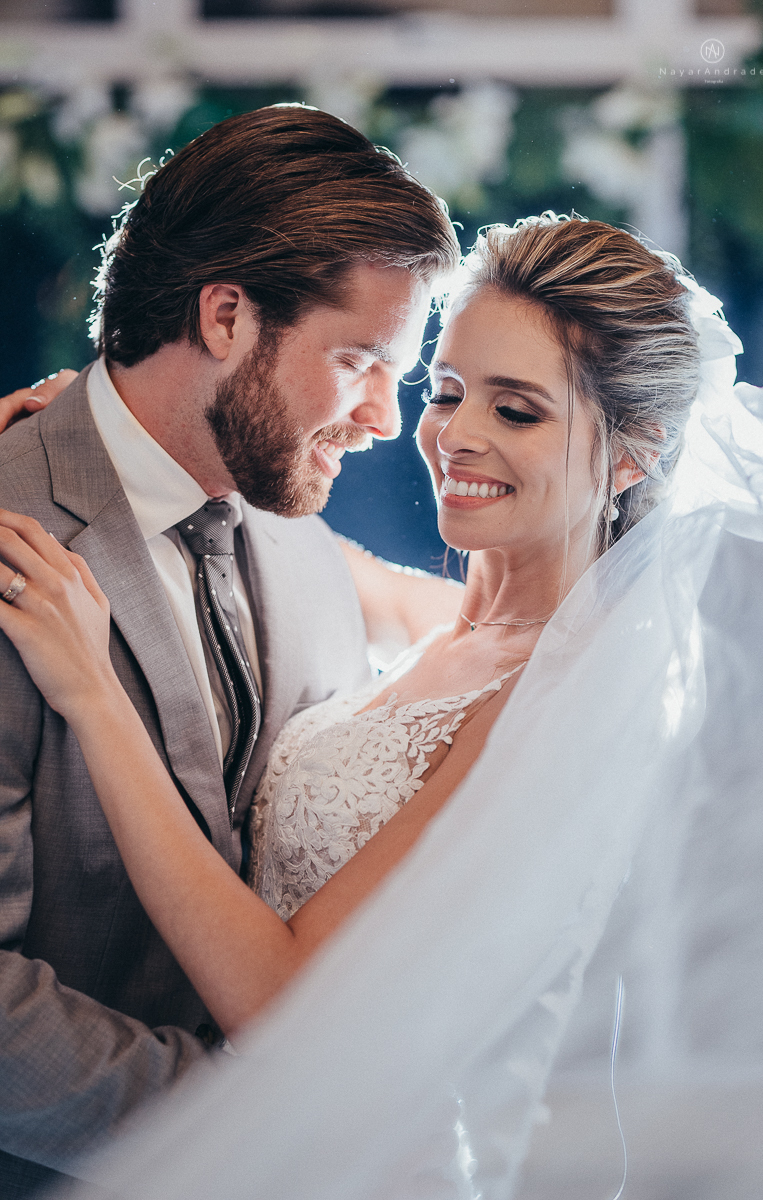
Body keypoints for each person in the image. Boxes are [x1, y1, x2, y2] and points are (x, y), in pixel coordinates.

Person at [0, 215, 719, 1196]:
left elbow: (283, 998)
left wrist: (91, 691)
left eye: (517, 412)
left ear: (633, 455)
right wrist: (93, 432)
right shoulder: (446, 621)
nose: (457, 435)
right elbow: (221, 514)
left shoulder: (555, 698)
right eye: (449, 391)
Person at [0, 102, 461, 1198]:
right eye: (358, 359)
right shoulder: (12, 534)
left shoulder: (293, 520)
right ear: (224, 317)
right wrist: (243, 1131)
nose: (386, 420)